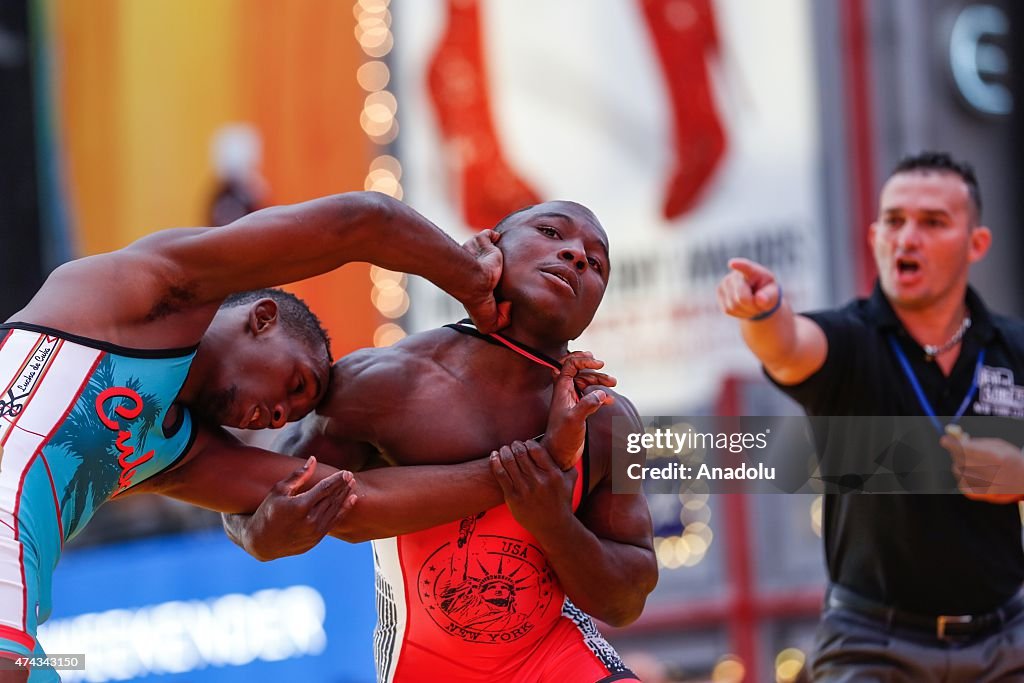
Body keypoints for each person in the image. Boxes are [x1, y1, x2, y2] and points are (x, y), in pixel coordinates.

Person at [0, 190, 509, 681]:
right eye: (294, 384)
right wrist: (473, 281)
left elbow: (352, 503)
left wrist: (518, 469)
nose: (277, 416)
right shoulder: (150, 290)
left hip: (29, 601)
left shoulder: (179, 454)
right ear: (262, 318)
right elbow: (362, 221)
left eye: (288, 417)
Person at [219, 201, 659, 683]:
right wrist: (258, 536)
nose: (575, 255)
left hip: (549, 661)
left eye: (595, 263)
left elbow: (625, 600)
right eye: (552, 232)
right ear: (492, 246)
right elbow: (248, 500)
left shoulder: (607, 420)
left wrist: (553, 522)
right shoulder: (382, 382)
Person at [718, 151, 1024, 681]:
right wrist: (763, 314)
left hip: (1005, 639)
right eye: (895, 220)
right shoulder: (850, 339)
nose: (907, 237)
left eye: (932, 222)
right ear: (874, 235)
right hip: (872, 643)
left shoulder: (1012, 346)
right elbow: (788, 346)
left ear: (976, 244)